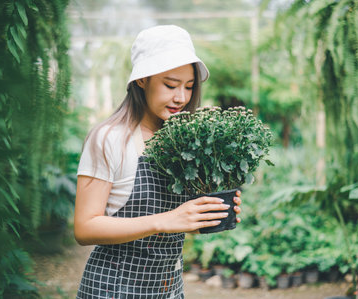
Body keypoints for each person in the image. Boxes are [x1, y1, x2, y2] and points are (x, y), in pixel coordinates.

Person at [74, 25, 242, 299]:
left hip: (169, 290)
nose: (181, 98)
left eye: (189, 86)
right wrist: (167, 219)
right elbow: (85, 227)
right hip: (114, 290)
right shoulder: (109, 138)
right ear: (142, 80)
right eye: (170, 84)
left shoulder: (181, 140)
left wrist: (209, 213)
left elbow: (177, 224)